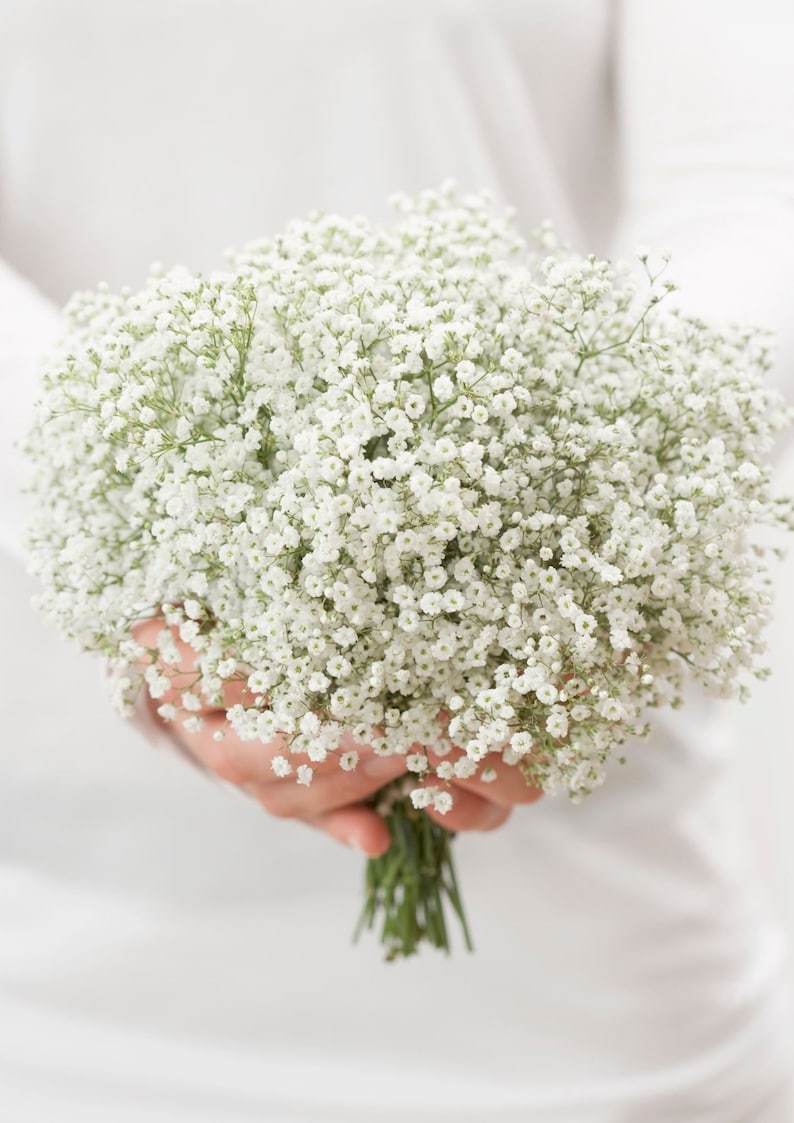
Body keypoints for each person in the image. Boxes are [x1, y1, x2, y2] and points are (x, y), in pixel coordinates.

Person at [1, 1, 793, 1119]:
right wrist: (192, 597)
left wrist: (583, 552)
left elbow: (749, 185)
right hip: (48, 972)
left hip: (587, 987)